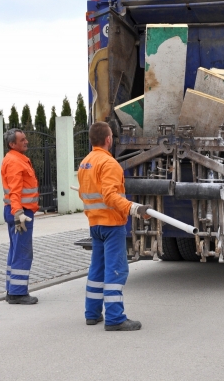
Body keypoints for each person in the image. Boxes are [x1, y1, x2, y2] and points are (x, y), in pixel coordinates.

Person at [78, 121, 150, 331]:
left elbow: (85, 194)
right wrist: (133, 208)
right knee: (116, 270)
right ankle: (115, 318)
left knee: (97, 269)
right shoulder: (109, 164)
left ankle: (92, 314)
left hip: (95, 224)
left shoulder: (85, 163)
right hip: (111, 224)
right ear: (108, 139)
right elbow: (110, 196)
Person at [1, 128, 39, 305]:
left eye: (25, 139)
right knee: (23, 252)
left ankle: (12, 290)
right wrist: (18, 214)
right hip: (21, 212)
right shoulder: (15, 162)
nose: (26, 142)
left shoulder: (15, 159)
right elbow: (15, 191)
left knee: (15, 251)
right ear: (12, 144)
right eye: (22, 140)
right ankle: (17, 293)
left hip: (16, 211)